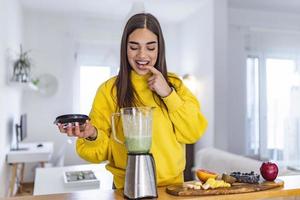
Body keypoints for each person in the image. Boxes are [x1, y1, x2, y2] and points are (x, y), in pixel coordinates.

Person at [57, 13, 207, 189]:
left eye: (150, 48)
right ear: (124, 48)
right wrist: (92, 134)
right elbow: (100, 152)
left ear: (160, 49)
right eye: (134, 47)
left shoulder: (175, 85)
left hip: (171, 190)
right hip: (126, 189)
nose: (142, 55)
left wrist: (168, 94)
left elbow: (193, 132)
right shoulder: (109, 90)